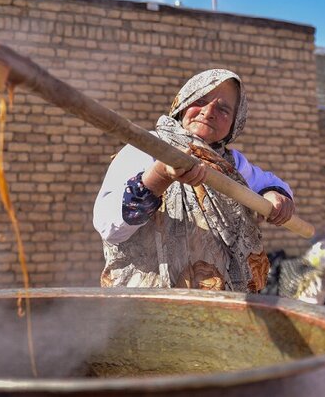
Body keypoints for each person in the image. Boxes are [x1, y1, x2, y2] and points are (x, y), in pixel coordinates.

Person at [93, 69, 295, 292]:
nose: (208, 112)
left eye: (223, 109)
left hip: (220, 310)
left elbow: (267, 183)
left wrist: (274, 196)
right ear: (182, 103)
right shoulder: (146, 148)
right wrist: (161, 176)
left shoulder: (231, 164)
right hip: (150, 306)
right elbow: (110, 229)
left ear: (235, 122)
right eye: (199, 100)